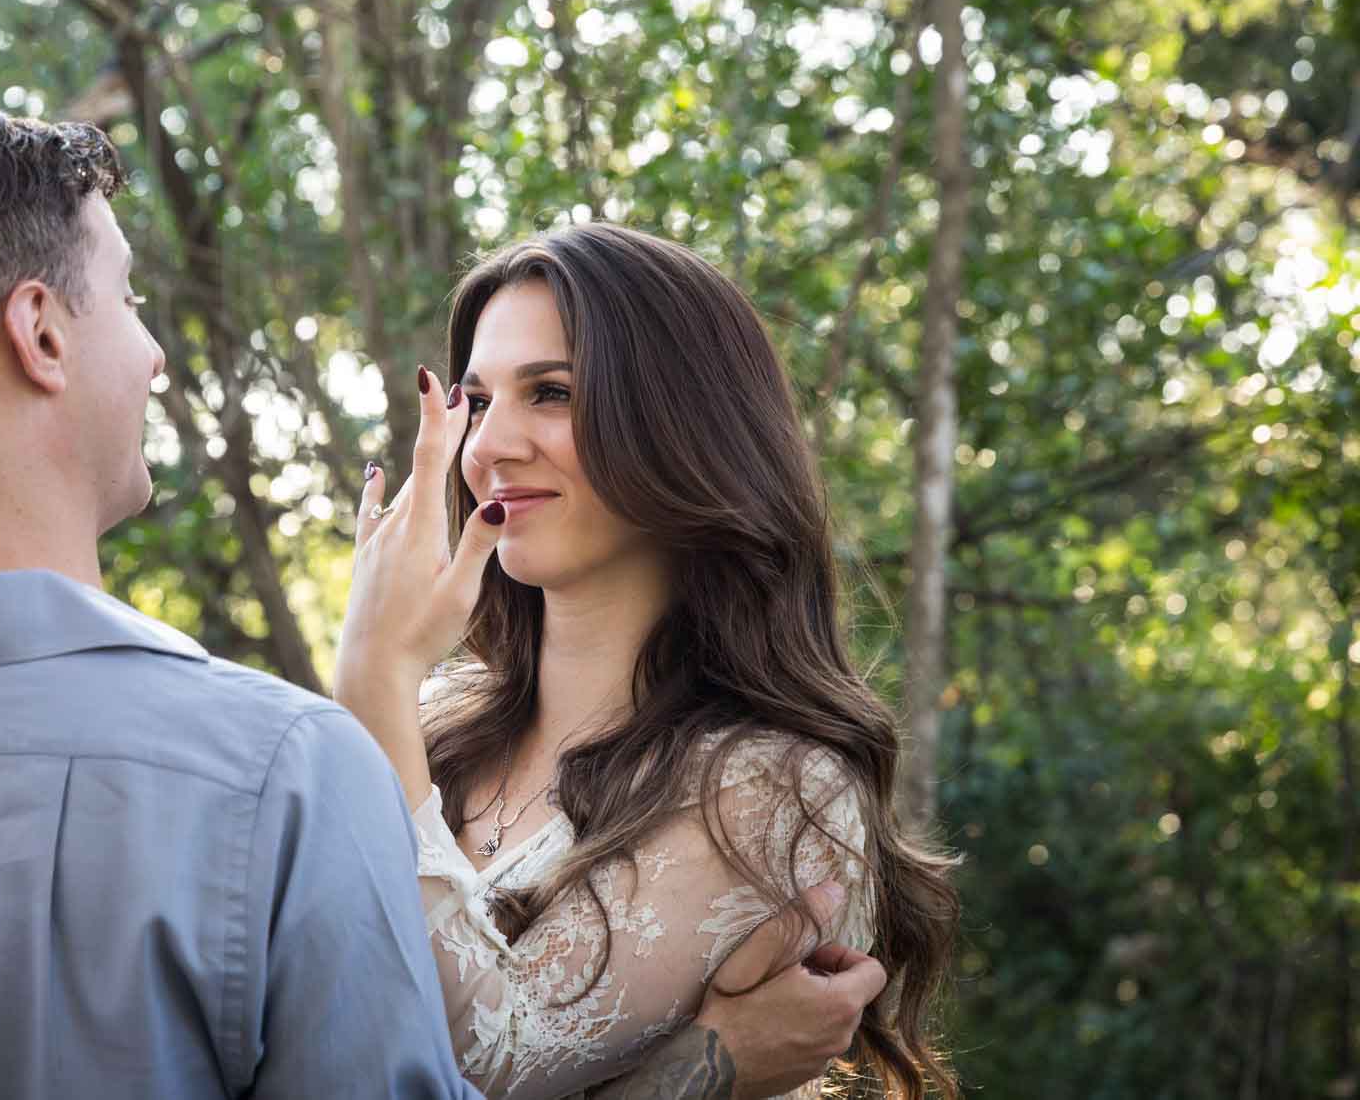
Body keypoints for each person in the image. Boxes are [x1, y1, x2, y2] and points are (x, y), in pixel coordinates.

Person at [0, 110, 882, 1099]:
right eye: (131, 298)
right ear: (40, 333)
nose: (152, 348)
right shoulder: (282, 774)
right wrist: (704, 1068)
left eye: (551, 391)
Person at [335, 224, 960, 1100]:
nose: (490, 447)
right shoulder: (434, 723)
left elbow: (481, 1064)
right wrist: (702, 1070)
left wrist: (371, 678)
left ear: (683, 425)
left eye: (550, 392)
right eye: (476, 401)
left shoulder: (776, 789)